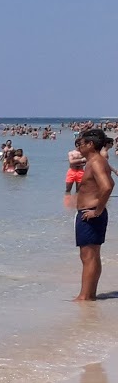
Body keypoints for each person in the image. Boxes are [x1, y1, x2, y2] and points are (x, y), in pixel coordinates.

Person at [73, 127, 114, 301]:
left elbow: (107, 186)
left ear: (90, 144)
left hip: (90, 215)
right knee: (92, 256)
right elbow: (111, 181)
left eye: (80, 143)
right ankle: (90, 295)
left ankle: (85, 296)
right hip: (92, 214)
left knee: (88, 256)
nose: (78, 147)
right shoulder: (97, 161)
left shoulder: (96, 162)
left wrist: (96, 211)